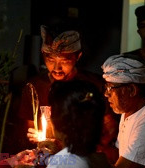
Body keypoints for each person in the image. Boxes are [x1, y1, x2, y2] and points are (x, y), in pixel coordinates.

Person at [7, 24, 119, 158]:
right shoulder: (34, 87)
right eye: (50, 59)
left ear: (78, 56)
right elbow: (31, 129)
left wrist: (82, 147)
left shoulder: (94, 85)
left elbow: (110, 127)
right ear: (43, 56)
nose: (57, 67)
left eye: (64, 60)